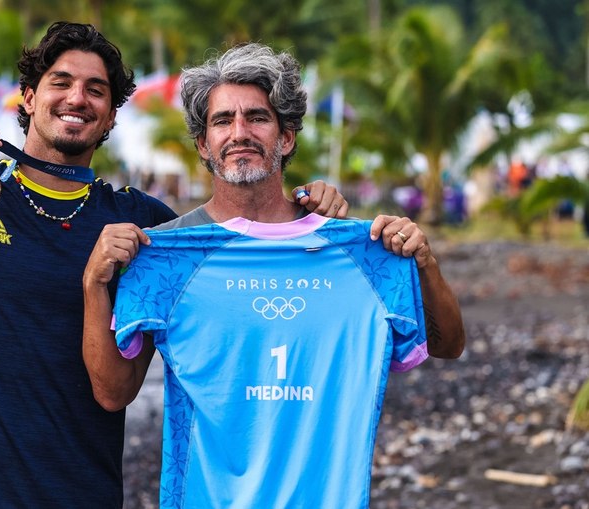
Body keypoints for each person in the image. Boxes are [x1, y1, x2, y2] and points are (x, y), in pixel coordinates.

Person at [0, 23, 348, 508]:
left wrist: (304, 210)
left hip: (81, 493)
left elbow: (241, 257)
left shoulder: (142, 225)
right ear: (28, 98)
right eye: (61, 82)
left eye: (96, 90)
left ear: (109, 116)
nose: (77, 97)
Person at [82, 43, 465, 508]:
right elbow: (113, 392)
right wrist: (94, 286)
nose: (239, 132)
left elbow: (447, 345)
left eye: (257, 118)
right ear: (204, 144)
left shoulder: (359, 252)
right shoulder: (164, 255)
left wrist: (424, 262)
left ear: (285, 138)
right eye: (223, 121)